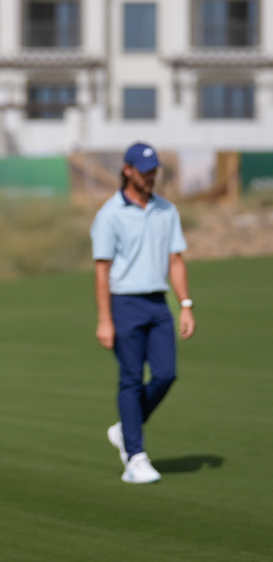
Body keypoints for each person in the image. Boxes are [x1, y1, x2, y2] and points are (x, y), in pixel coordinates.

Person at [90, 142, 195, 484]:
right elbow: (102, 271)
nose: (151, 177)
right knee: (132, 379)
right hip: (124, 304)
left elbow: (176, 260)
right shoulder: (109, 214)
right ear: (128, 171)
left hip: (158, 304)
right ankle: (135, 458)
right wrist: (105, 319)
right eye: (145, 171)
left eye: (154, 171)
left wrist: (185, 305)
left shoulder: (166, 210)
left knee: (166, 374)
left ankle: (126, 429)